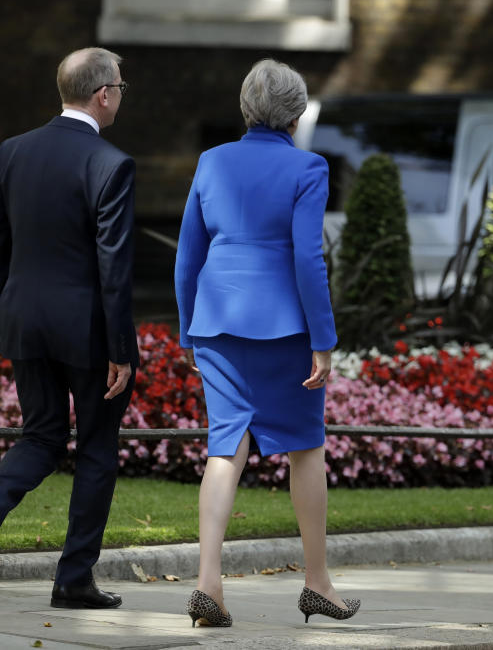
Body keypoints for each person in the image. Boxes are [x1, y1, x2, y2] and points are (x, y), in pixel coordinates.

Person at [174, 59, 361, 627]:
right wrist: (323, 339)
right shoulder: (309, 168)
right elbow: (308, 258)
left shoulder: (210, 161)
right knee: (306, 447)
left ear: (244, 107)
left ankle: (208, 583)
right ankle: (317, 582)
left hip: (217, 323)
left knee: (224, 448)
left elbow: (188, 255)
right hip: (285, 330)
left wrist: (188, 328)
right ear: (297, 113)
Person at [0, 47, 138, 610]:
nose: (121, 94)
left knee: (41, 434)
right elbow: (114, 266)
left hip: (25, 319)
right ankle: (73, 578)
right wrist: (121, 349)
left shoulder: (13, 151)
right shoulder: (112, 164)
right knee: (98, 448)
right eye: (121, 86)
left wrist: (4, 323)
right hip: (86, 331)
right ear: (102, 94)